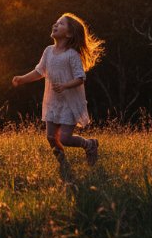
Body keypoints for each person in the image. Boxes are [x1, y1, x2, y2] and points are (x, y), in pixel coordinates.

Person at [12, 13, 104, 166]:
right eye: (55, 22)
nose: (55, 25)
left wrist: (64, 86)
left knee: (65, 138)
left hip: (69, 102)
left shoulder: (72, 55)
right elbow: (40, 71)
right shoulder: (48, 51)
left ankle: (90, 145)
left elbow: (80, 78)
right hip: (53, 101)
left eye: (60, 24)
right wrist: (22, 79)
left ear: (68, 33)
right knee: (50, 137)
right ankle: (64, 165)